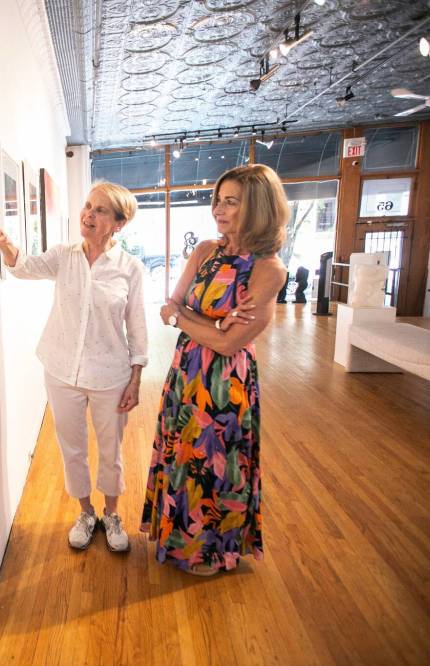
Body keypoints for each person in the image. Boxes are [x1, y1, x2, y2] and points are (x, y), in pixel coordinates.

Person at [0, 182, 147, 552]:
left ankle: (112, 514)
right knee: (71, 448)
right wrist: (5, 242)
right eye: (88, 206)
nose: (88, 214)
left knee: (110, 450)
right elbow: (24, 266)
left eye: (100, 210)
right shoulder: (65, 256)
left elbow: (136, 326)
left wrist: (136, 378)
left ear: (118, 223)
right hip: (61, 369)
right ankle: (86, 513)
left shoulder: (129, 268)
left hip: (110, 375)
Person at [140, 164, 288, 576]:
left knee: (216, 462)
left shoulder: (268, 269)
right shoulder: (206, 249)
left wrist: (196, 323)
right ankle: (180, 541)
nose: (218, 210)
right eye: (217, 200)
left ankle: (211, 551)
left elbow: (228, 344)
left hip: (225, 383)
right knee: (183, 456)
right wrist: (216, 322)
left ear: (257, 207)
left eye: (231, 202)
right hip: (186, 372)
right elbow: (171, 304)